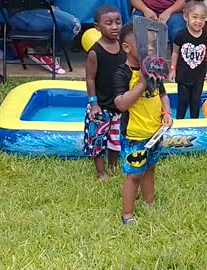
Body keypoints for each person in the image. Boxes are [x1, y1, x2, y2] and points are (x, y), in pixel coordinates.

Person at [114, 22, 173, 225]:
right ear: (127, 48)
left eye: (151, 44)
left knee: (150, 168)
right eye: (143, 44)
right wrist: (141, 83)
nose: (149, 48)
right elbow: (121, 104)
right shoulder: (123, 73)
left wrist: (167, 112)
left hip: (154, 132)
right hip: (134, 135)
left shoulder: (154, 69)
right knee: (134, 174)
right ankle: (127, 215)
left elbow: (162, 95)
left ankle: (149, 203)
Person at [82, 5, 126, 182]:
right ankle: (101, 172)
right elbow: (90, 79)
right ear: (97, 27)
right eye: (109, 23)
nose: (115, 26)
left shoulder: (124, 47)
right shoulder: (95, 52)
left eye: (118, 22)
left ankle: (113, 166)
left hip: (119, 104)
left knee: (116, 140)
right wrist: (93, 103)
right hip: (100, 107)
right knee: (97, 140)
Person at [130, 0, 207, 69]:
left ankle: (183, 67)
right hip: (145, 10)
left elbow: (182, 2)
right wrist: (146, 10)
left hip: (173, 11)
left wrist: (168, 12)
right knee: (133, 31)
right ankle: (138, 68)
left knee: (178, 32)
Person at [168, 0, 207, 119]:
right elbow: (175, 53)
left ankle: (195, 124)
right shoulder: (180, 35)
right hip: (183, 76)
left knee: (195, 102)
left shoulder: (206, 37)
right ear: (185, 17)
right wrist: (173, 70)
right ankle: (179, 123)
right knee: (182, 102)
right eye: (194, 17)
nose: (198, 21)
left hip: (199, 77)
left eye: (202, 18)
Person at [10, 1, 81, 74]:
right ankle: (44, 53)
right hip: (23, 14)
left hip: (30, 12)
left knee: (63, 24)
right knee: (74, 25)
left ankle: (47, 52)